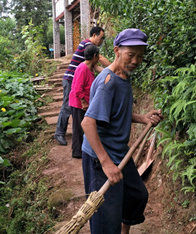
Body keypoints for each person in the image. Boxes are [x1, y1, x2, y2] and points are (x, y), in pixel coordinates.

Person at [81, 28, 163, 234]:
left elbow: (115, 113)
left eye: (140, 56)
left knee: (136, 195)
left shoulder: (124, 76)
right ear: (117, 51)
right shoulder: (108, 83)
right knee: (105, 220)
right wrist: (106, 163)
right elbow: (87, 123)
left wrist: (142, 118)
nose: (135, 61)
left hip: (119, 152)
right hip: (100, 157)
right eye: (131, 55)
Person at [54, 26, 111, 146]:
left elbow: (96, 67)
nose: (102, 41)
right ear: (94, 35)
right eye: (101, 38)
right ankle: (59, 133)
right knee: (67, 106)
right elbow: (100, 59)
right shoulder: (87, 45)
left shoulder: (90, 51)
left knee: (73, 108)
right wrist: (114, 67)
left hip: (76, 79)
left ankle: (78, 136)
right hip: (71, 79)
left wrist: (111, 73)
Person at [68, 44, 100, 158]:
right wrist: (84, 102)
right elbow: (77, 88)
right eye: (98, 56)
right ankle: (77, 152)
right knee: (78, 127)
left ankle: (82, 149)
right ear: (95, 56)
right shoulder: (82, 68)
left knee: (83, 127)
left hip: (83, 103)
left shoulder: (89, 68)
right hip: (78, 103)